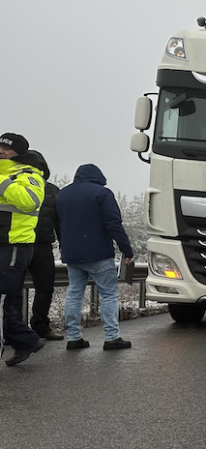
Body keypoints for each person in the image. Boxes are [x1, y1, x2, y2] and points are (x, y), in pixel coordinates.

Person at [57, 163, 134, 350]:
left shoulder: (63, 194)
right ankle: (112, 338)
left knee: (74, 294)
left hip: (72, 254)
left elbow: (59, 224)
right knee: (108, 294)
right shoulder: (101, 193)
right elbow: (113, 223)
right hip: (98, 253)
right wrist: (126, 249)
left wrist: (63, 245)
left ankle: (74, 338)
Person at [0, 133, 47, 366]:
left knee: (3, 299)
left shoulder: (30, 174)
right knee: (8, 300)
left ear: (19, 152)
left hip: (15, 244)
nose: (1, 150)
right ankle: (24, 341)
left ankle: (24, 339)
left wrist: (2, 182)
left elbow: (29, 200)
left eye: (6, 148)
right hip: (3, 245)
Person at [6, 150, 62, 340]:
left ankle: (40, 326)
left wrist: (64, 245)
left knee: (45, 287)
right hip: (17, 244)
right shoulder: (13, 185)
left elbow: (59, 221)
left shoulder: (53, 191)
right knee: (13, 290)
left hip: (42, 246)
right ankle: (15, 331)